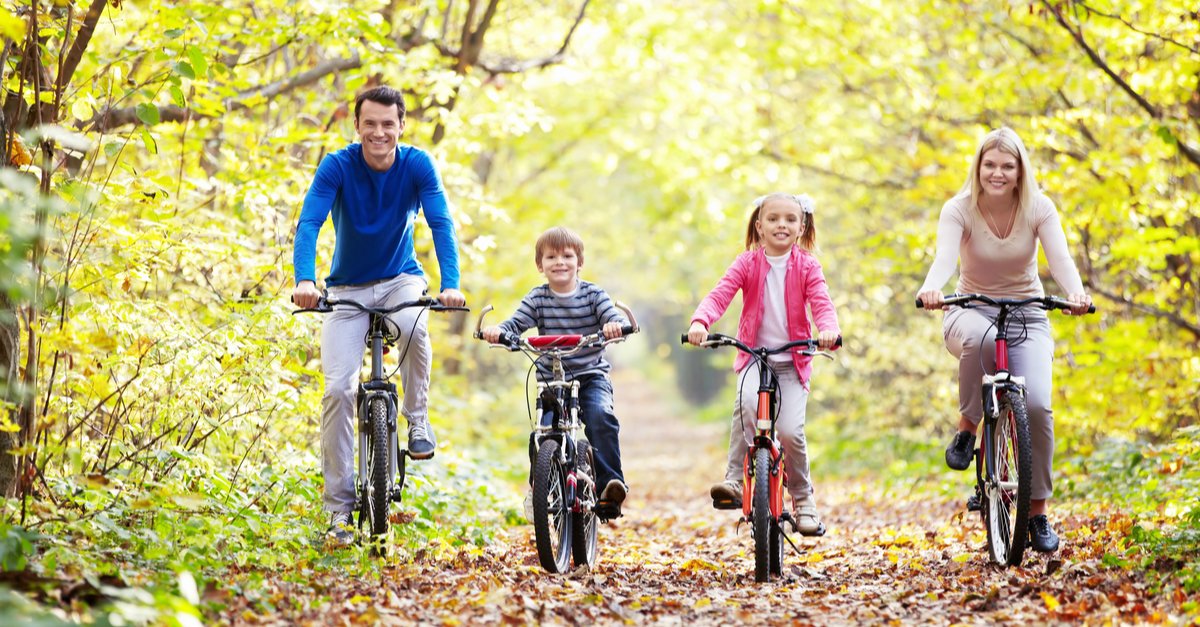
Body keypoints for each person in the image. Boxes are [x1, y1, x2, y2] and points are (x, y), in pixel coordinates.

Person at [292, 85, 466, 546]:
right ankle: (338, 514)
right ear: (357, 126)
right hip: (346, 288)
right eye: (369, 123)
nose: (379, 132)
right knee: (337, 390)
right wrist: (306, 280)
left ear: (402, 126)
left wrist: (450, 285)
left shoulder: (417, 165)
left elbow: (441, 223)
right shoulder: (337, 166)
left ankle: (417, 418)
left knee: (414, 327)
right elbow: (309, 222)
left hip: (399, 279)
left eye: (388, 123)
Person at [916, 127, 1092, 554]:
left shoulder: (1039, 208)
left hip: (1027, 312)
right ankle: (967, 428)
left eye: (1007, 166)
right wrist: (931, 289)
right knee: (982, 339)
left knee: (1036, 405)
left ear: (1019, 171)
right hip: (970, 309)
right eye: (989, 165)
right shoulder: (958, 209)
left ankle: (1037, 514)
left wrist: (1076, 294)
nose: (997, 173)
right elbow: (943, 258)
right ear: (978, 168)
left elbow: (1060, 259)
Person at [686, 193, 841, 535]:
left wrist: (828, 329)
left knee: (789, 431)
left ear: (801, 227)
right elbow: (720, 294)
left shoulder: (808, 266)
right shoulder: (747, 263)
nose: (781, 225)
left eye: (789, 219)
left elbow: (821, 302)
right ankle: (734, 481)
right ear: (759, 226)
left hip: (793, 361)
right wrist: (701, 322)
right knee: (746, 406)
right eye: (773, 219)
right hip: (755, 357)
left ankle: (803, 501)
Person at [480, 226, 632, 517]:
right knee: (541, 432)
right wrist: (498, 331)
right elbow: (514, 324)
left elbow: (610, 316)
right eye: (551, 257)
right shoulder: (537, 299)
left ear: (580, 262)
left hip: (590, 375)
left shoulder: (593, 295)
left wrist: (613, 325)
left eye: (567, 256)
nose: (559, 262)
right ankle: (540, 488)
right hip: (552, 378)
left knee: (601, 417)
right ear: (540, 265)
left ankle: (610, 485)